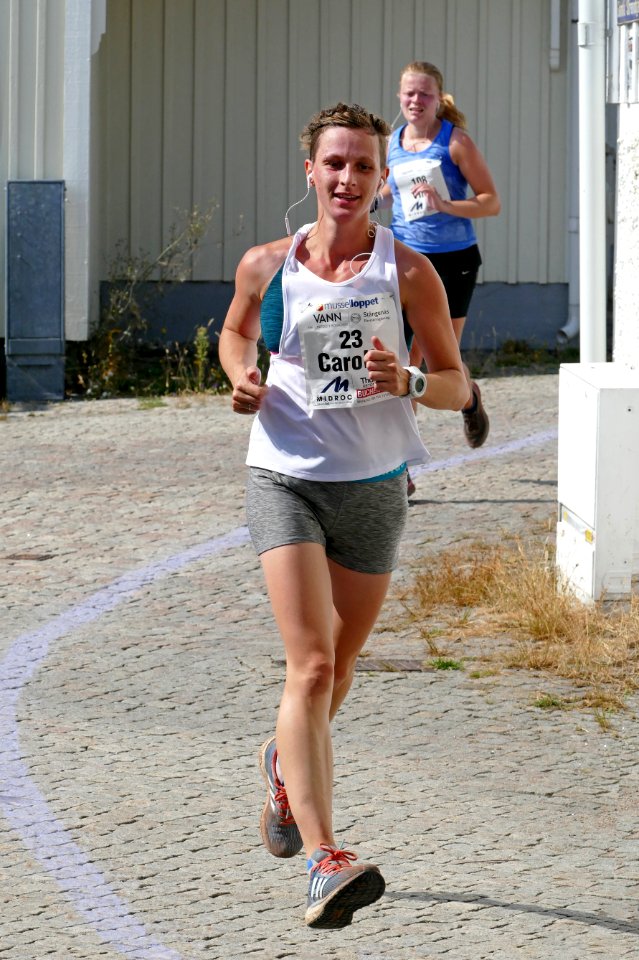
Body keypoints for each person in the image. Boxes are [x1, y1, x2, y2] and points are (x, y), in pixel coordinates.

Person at [219, 102, 468, 930]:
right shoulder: (266, 262)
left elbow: (457, 384)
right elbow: (232, 333)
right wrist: (243, 374)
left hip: (372, 486)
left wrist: (411, 384)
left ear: (381, 179)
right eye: (334, 164)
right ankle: (326, 860)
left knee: (343, 665)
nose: (347, 180)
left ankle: (282, 765)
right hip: (283, 476)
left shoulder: (407, 275)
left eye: (363, 166)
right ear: (310, 173)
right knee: (314, 664)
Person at [376, 61, 500, 478]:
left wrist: (446, 205)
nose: (415, 101)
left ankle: (469, 399)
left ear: (438, 98)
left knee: (436, 361)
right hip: (404, 261)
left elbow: (490, 201)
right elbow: (390, 192)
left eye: (424, 94)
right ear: (399, 96)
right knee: (403, 362)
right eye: (409, 93)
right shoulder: (391, 143)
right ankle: (401, 469)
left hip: (453, 261)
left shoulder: (455, 142)